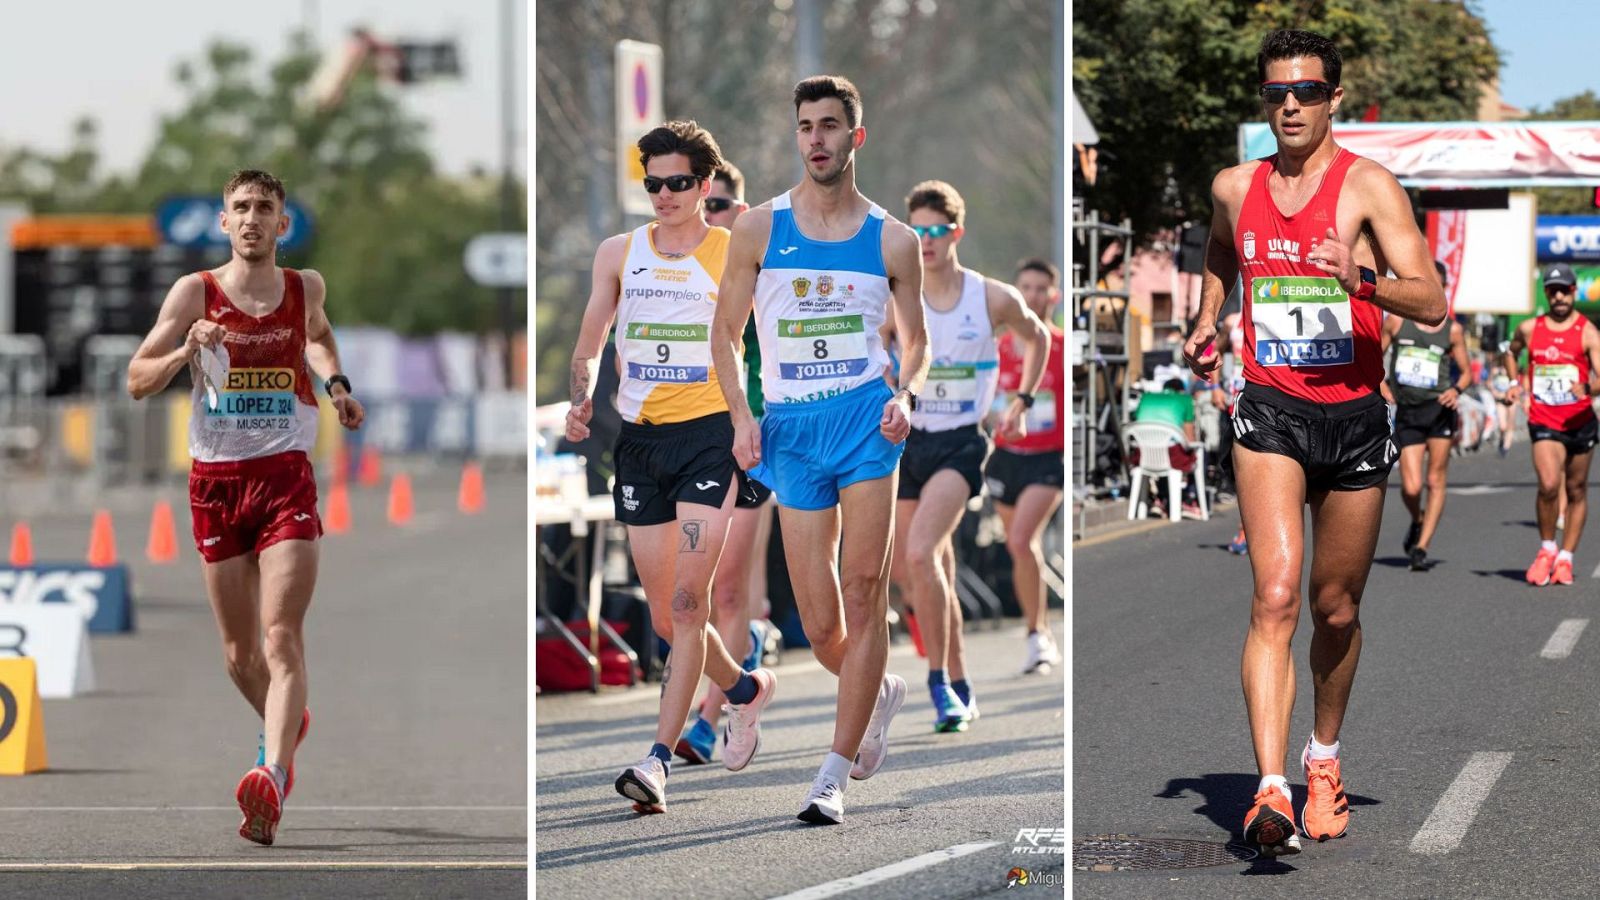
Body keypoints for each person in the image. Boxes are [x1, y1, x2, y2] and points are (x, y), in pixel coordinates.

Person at [1180, 30, 1446, 855]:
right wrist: (1205, 315)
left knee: (1335, 609)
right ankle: (1269, 791)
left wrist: (1359, 280)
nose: (1288, 105)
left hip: (1357, 417)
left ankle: (1321, 759)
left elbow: (1432, 300)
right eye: (1273, 93)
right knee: (1276, 594)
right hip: (1270, 408)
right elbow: (1223, 251)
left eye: (1305, 91)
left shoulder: (1369, 187)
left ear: (1334, 96)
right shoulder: (1233, 186)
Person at [711, 75, 929, 825]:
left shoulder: (892, 238)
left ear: (854, 137)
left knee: (866, 591)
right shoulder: (759, 229)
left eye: (830, 125)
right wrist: (742, 415)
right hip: (792, 430)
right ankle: (881, 690)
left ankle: (830, 775)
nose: (817, 139)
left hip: (867, 422)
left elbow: (918, 341)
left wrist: (906, 394)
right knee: (819, 621)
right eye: (806, 126)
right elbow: (724, 333)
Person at [126, 169, 364, 846]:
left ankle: (274, 773)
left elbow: (316, 335)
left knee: (280, 635)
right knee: (237, 655)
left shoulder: (303, 287)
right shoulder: (193, 293)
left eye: (265, 208)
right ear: (224, 223)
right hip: (216, 482)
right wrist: (184, 349)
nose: (253, 218)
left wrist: (338, 386)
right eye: (241, 208)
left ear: (282, 224)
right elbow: (136, 381)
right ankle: (285, 720)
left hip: (286, 476)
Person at [566, 121, 776, 815]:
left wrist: (752, 421)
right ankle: (746, 690)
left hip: (709, 438)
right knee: (665, 615)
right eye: (652, 183)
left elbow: (763, 340)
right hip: (641, 442)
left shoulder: (734, 250)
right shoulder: (618, 253)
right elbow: (592, 340)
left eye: (678, 183)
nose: (663, 194)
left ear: (704, 185)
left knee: (692, 603)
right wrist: (578, 398)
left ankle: (657, 760)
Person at [883, 180, 1048, 732]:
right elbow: (870, 341)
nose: (925, 242)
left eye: (935, 231)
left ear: (956, 231)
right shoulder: (897, 296)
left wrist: (1020, 400)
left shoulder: (989, 296)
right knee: (928, 573)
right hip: (907, 441)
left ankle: (939, 685)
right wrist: (883, 375)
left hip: (960, 440)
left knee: (919, 552)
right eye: (917, 231)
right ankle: (960, 679)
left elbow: (1038, 337)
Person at [676, 161, 776, 765]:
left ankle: (710, 719)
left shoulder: (760, 269)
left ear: (739, 210)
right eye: (700, 206)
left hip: (749, 438)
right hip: (685, 440)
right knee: (684, 596)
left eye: (718, 206)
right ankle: (747, 662)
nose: (708, 217)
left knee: (729, 590)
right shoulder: (670, 271)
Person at [988, 258, 1066, 673]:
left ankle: (1038, 635)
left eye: (1041, 288)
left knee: (1021, 541)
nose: (1033, 295)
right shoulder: (996, 347)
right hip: (1004, 459)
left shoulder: (1061, 345)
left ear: (1053, 295)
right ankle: (1037, 630)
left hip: (1046, 462)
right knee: (1020, 547)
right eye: (1026, 288)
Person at [1502, 263, 1600, 586]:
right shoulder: (1531, 328)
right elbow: (1510, 351)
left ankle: (1566, 558)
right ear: (1546, 293)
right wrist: (1514, 382)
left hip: (1580, 420)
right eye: (1552, 290)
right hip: (1544, 419)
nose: (1558, 296)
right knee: (1547, 484)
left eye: (1564, 290)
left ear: (1574, 292)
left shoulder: (1587, 332)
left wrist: (1588, 388)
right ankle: (1546, 549)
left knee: (1576, 490)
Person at [1379, 261, 1472, 571]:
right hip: (1408, 410)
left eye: (1439, 283)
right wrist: (1380, 383)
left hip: (1439, 410)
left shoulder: (1453, 329)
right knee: (1411, 487)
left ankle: (1422, 546)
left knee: (1435, 479)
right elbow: (1373, 355)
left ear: (1443, 287)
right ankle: (1417, 520)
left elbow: (1467, 374)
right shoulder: (1396, 322)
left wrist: (1456, 390)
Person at [1131, 378, 1202, 518]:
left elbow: (1136, 419)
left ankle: (1160, 500)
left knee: (1163, 453)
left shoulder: (1146, 397)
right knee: (1194, 454)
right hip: (1170, 456)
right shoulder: (1185, 399)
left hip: (1142, 455)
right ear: (1181, 390)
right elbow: (1190, 438)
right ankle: (1188, 500)